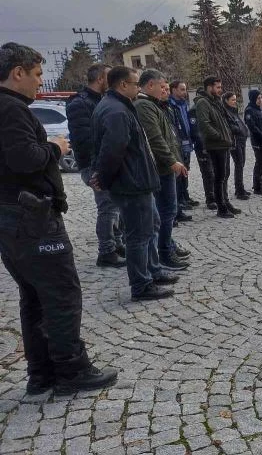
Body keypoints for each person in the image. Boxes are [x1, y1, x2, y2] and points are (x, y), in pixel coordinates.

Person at [0, 42, 118, 394]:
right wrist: (56, 148)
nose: (40, 82)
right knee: (62, 293)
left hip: (14, 216)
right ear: (17, 73)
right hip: (32, 216)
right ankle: (71, 371)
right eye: (36, 75)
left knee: (34, 297)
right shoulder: (11, 110)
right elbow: (25, 159)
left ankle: (42, 372)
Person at [90, 66, 177, 301]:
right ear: (122, 85)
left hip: (138, 181)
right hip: (132, 183)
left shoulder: (118, 106)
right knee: (138, 236)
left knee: (151, 227)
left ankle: (153, 270)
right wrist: (104, 180)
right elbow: (112, 151)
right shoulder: (116, 111)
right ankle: (142, 285)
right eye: (136, 83)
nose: (139, 88)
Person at [65, 62, 126, 268]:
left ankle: (117, 244)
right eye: (110, 77)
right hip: (93, 165)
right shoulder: (79, 103)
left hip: (107, 162)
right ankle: (106, 251)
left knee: (115, 206)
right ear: (101, 78)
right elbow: (84, 139)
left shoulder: (103, 100)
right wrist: (99, 168)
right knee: (107, 207)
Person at [134, 70, 190, 270]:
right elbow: (155, 139)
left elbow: (168, 136)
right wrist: (172, 161)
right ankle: (164, 253)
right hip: (161, 168)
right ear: (150, 85)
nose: (164, 90)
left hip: (166, 167)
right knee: (166, 212)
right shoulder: (144, 106)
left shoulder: (154, 105)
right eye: (162, 86)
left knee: (168, 211)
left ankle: (167, 247)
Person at [195, 76, 238, 218]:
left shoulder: (215, 101)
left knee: (224, 175)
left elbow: (223, 121)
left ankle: (225, 202)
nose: (220, 90)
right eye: (218, 87)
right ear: (209, 87)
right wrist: (221, 136)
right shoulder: (203, 103)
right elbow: (204, 125)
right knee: (219, 177)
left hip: (223, 144)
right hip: (215, 145)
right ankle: (221, 207)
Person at [167, 80, 197, 220]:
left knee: (186, 171)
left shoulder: (184, 104)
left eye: (185, 89)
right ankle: (180, 201)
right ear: (173, 90)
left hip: (187, 141)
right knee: (179, 173)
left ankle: (185, 197)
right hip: (178, 143)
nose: (185, 92)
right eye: (182, 89)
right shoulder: (170, 105)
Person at [189, 89, 216, 209]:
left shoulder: (210, 107)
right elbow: (196, 132)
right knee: (208, 173)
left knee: (215, 172)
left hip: (213, 145)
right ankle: (210, 198)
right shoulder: (193, 110)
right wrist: (204, 144)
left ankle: (217, 195)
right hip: (202, 147)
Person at [222, 92, 251, 200]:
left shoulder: (234, 111)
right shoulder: (226, 112)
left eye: (235, 100)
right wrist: (239, 130)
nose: (235, 102)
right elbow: (230, 126)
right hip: (235, 141)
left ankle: (240, 188)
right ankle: (239, 190)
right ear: (226, 101)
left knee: (241, 164)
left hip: (241, 140)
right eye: (233, 100)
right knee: (239, 164)